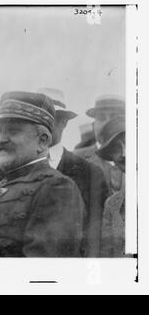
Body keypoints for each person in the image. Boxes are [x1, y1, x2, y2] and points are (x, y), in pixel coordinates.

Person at [0, 91, 85, 257]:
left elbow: (42, 273)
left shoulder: (56, 187)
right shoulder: (0, 187)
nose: (1, 139)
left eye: (13, 131)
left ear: (42, 141)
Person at [39, 88, 109, 257]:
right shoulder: (14, 169)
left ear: (64, 122)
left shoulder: (90, 173)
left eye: (51, 118)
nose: (42, 125)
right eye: (37, 119)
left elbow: (95, 237)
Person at [74, 95, 125, 194]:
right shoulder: (76, 159)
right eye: (101, 118)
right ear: (94, 124)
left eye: (114, 117)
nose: (107, 123)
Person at [96, 116, 126, 257]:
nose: (124, 154)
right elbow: (106, 257)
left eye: (130, 143)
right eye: (116, 148)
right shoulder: (112, 205)